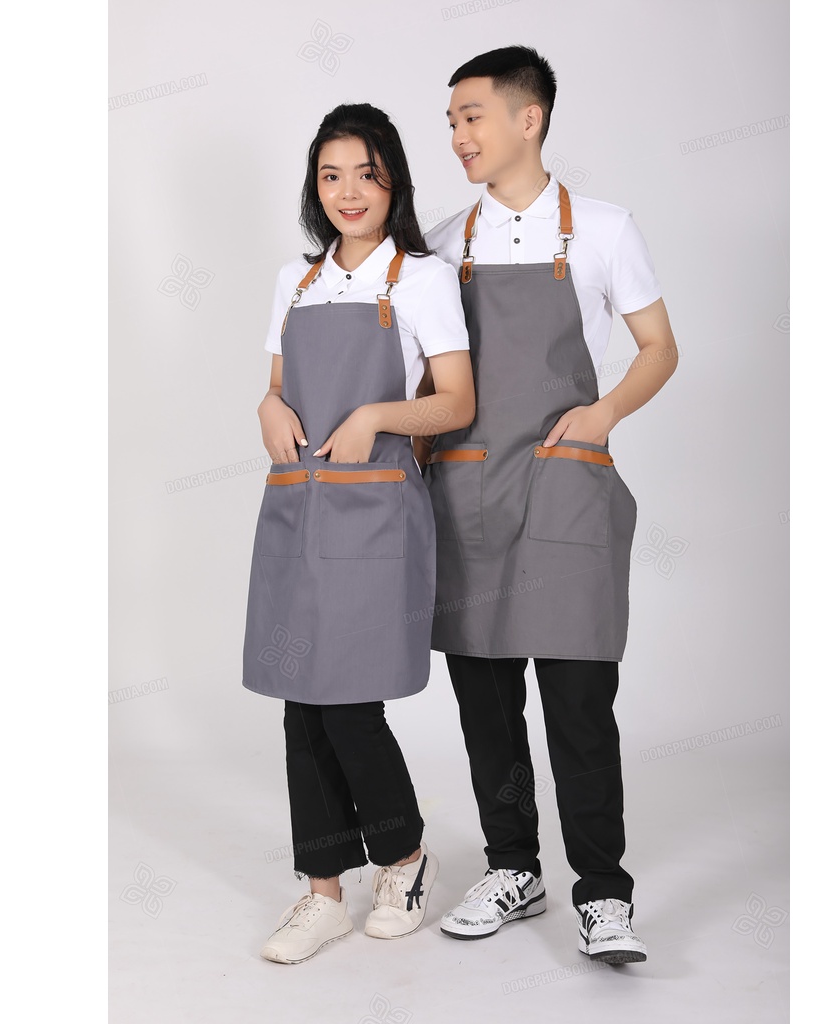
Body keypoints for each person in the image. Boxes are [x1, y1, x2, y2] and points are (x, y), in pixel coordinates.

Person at [416, 46, 678, 965]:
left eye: (472, 117)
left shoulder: (603, 230)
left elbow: (658, 346)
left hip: (564, 485)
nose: (458, 136)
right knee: (487, 707)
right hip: (468, 492)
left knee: (578, 704)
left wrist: (602, 415)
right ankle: (513, 869)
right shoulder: (443, 244)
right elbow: (428, 376)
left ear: (528, 119)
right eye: (452, 121)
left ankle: (602, 894)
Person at [242, 102, 475, 965]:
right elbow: (277, 384)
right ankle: (323, 893)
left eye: (366, 175)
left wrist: (376, 414)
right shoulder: (296, 281)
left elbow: (457, 402)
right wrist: (267, 406)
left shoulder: (420, 279)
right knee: (302, 698)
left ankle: (405, 859)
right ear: (315, 186)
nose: (348, 192)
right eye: (331, 175)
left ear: (393, 183)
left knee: (346, 700)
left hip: (376, 511)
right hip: (300, 503)